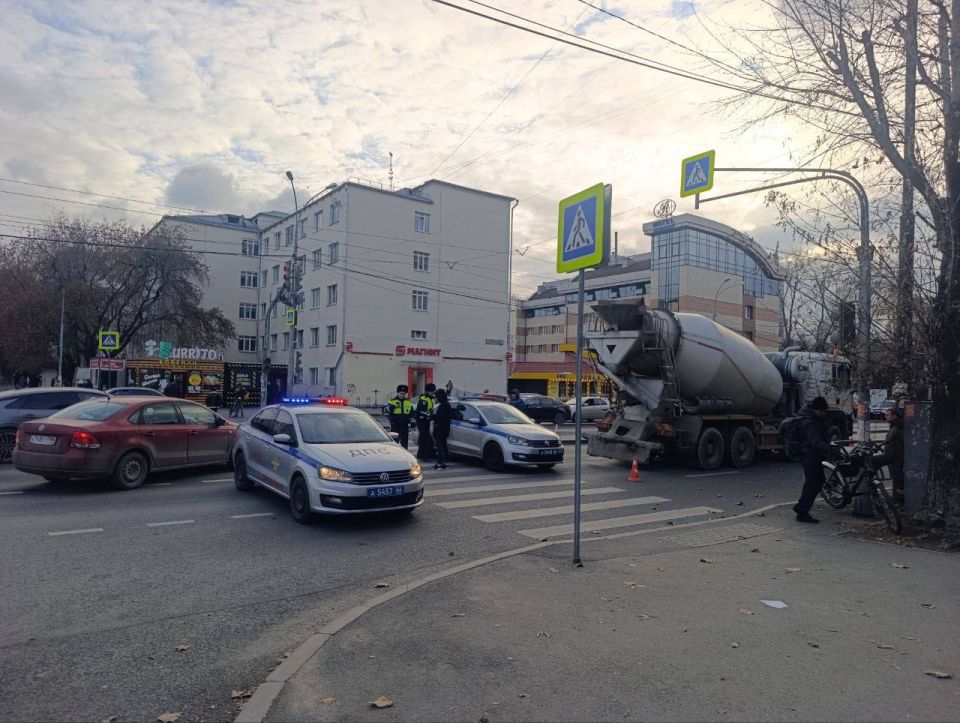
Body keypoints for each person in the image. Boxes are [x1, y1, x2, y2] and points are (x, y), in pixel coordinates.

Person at [793, 396, 839, 524]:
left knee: (815, 482)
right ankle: (802, 512)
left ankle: (801, 507)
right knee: (813, 483)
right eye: (823, 411)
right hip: (809, 455)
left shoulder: (811, 418)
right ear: (817, 410)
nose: (824, 414)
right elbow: (816, 442)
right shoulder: (809, 422)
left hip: (811, 455)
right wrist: (831, 451)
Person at [872, 406, 905, 506]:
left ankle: (898, 501)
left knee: (898, 480)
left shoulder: (899, 427)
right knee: (897, 479)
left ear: (894, 416)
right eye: (885, 415)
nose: (885, 417)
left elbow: (903, 441)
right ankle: (896, 500)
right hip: (892, 456)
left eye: (888, 415)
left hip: (895, 457)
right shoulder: (894, 426)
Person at [384, 384, 414, 449]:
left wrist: (412, 421)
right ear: (397, 393)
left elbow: (412, 414)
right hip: (395, 426)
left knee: (405, 444)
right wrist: (393, 407)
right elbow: (385, 410)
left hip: (405, 426)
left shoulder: (408, 402)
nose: (402, 395)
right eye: (401, 393)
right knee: (395, 444)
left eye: (404, 394)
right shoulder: (392, 401)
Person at [432, 388, 452, 470]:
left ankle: (440, 462)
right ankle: (445, 462)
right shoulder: (446, 404)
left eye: (437, 396)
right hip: (445, 428)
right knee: (444, 445)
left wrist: (431, 416)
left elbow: (439, 417)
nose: (436, 398)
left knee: (440, 446)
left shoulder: (443, 405)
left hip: (440, 428)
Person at [415, 383, 436, 460]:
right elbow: (422, 410)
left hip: (427, 420)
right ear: (427, 391)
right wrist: (430, 415)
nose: (433, 392)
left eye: (433, 391)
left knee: (424, 437)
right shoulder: (423, 399)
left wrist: (431, 414)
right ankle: (423, 455)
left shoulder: (432, 398)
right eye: (431, 391)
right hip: (421, 420)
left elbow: (431, 409)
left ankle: (421, 454)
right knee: (424, 436)